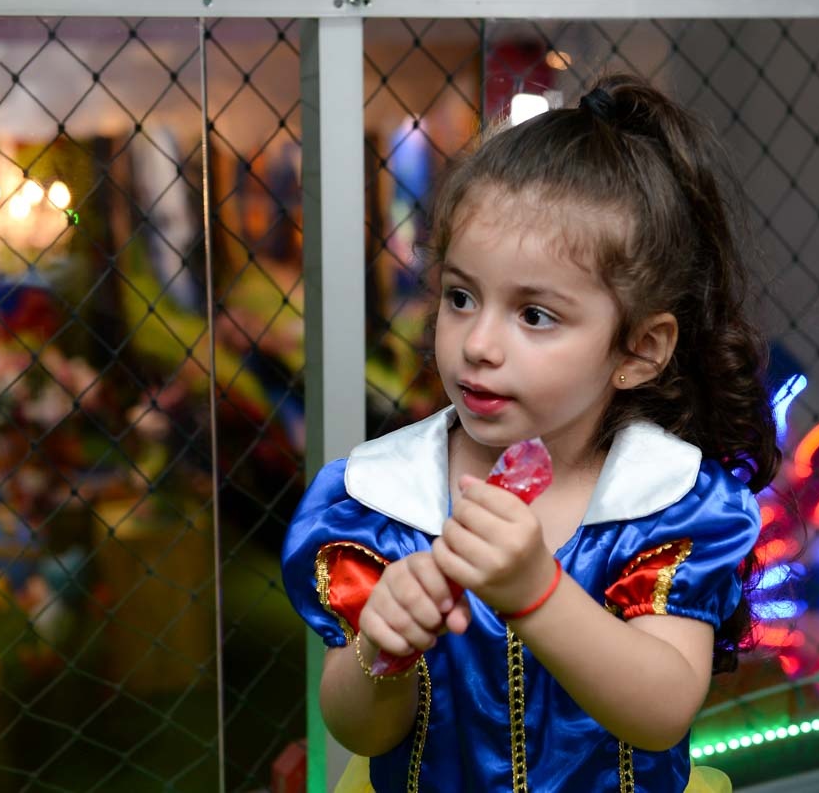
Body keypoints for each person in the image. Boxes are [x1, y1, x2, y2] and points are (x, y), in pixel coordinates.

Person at [282, 72, 781, 793]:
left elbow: (662, 712)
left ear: (639, 350)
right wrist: (381, 651)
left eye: (535, 315)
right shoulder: (383, 501)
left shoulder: (666, 506)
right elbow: (359, 731)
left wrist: (536, 592)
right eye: (461, 297)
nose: (478, 344)